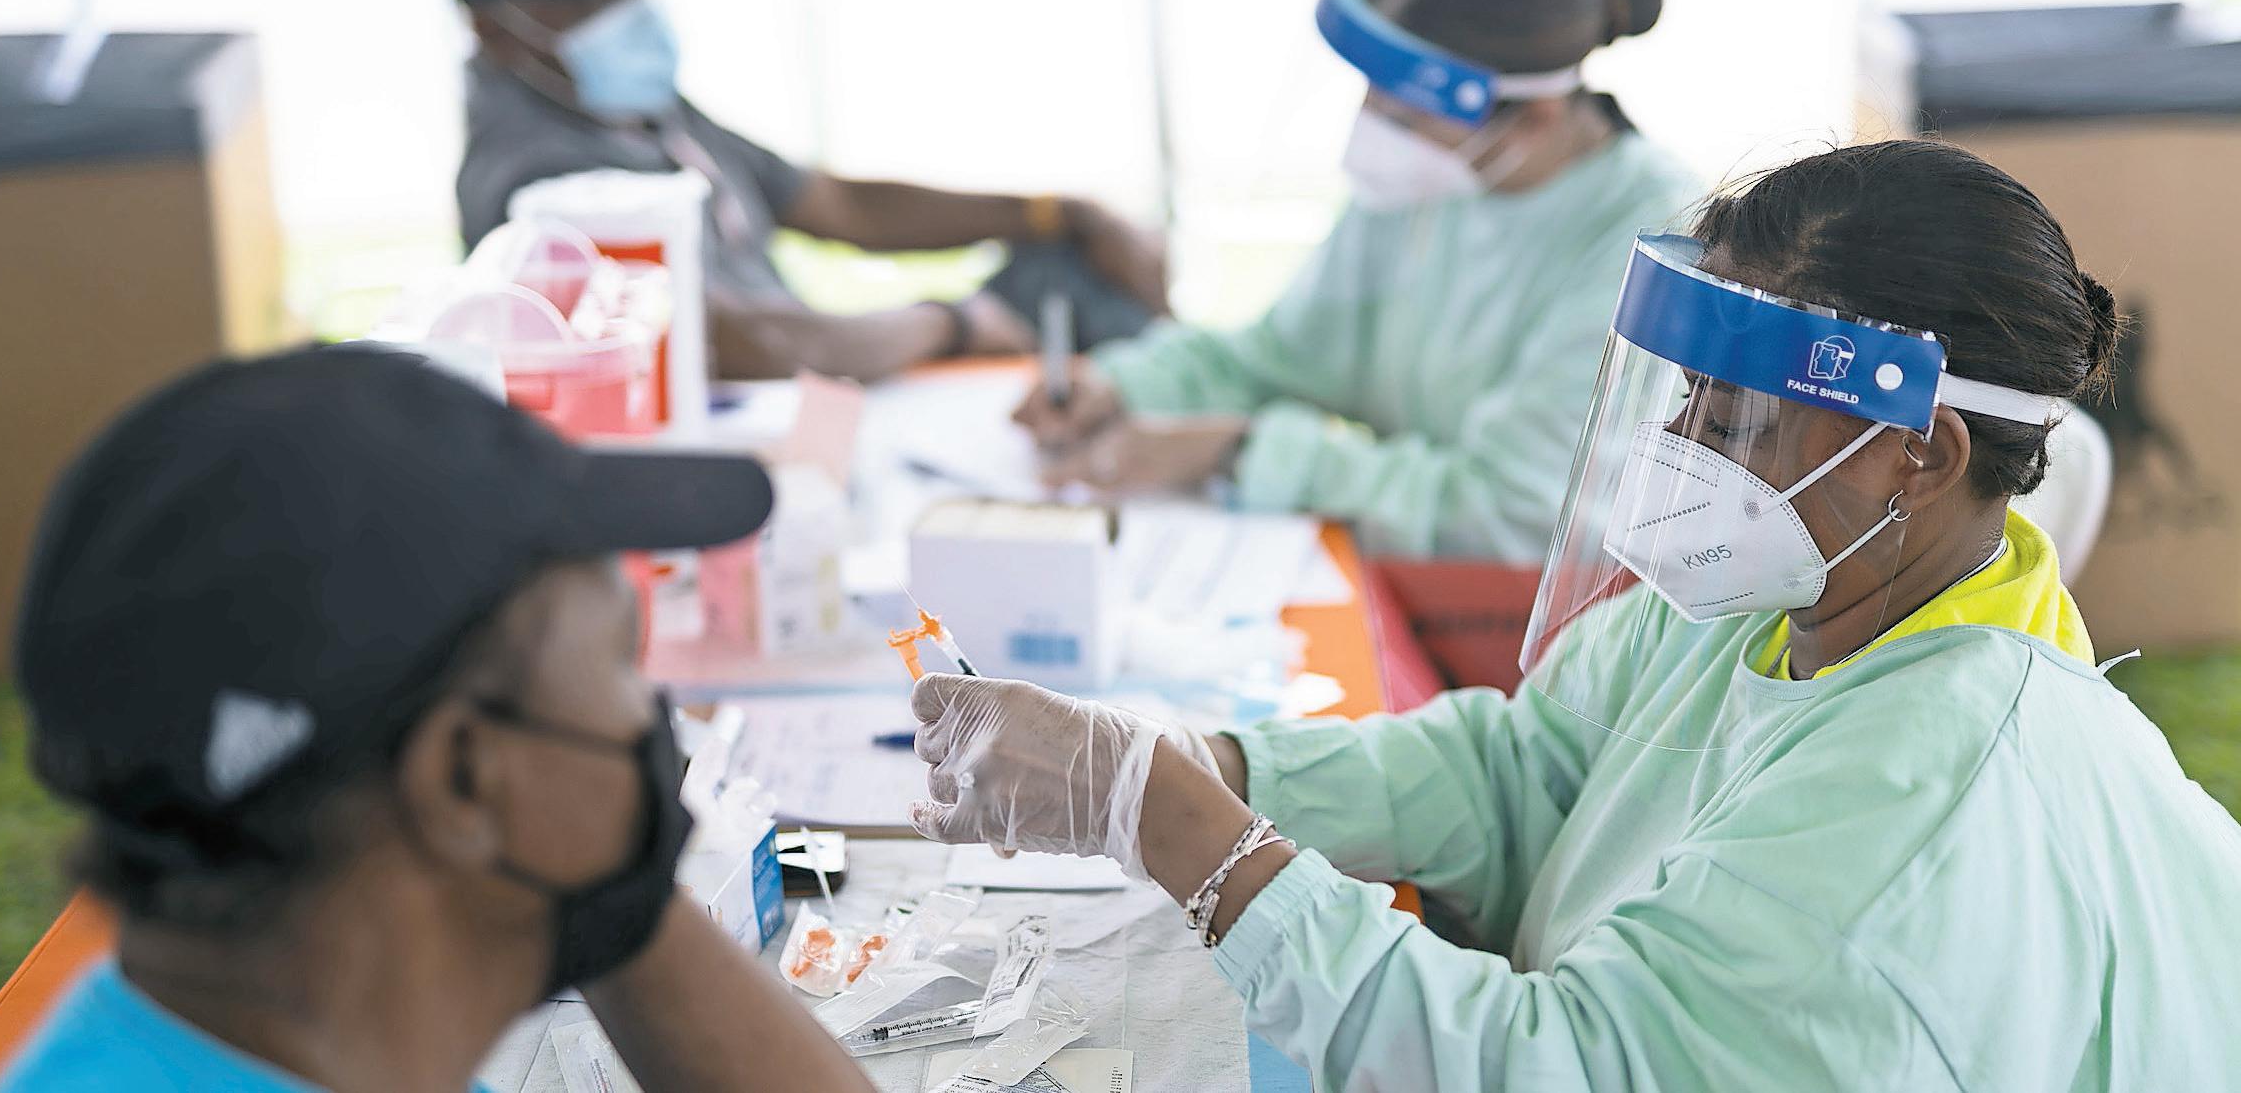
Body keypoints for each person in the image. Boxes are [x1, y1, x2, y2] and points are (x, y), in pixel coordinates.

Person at [907, 141, 2241, 1090]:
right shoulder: (1801, 586)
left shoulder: (1918, 799)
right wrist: (1209, 766)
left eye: (1735, 417)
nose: (1682, 446)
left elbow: (1566, 1068)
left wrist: (1182, 829)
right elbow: (1528, 766)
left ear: (1919, 455)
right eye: (1683, 397)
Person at [0, 347, 871, 1092]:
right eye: (618, 657)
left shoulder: (259, 1032)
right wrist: (591, 841)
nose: (652, 711)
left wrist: (600, 876)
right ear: (460, 774)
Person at [1012, 0, 1698, 560]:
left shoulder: (1650, 243)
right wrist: (1123, 388)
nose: (1373, 130)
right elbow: (1277, 357)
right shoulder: (1435, 178)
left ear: (1536, 119)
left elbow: (1513, 515)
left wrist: (1238, 451)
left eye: (1403, 115)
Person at [427, 0, 1166, 383]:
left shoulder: (638, 113)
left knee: (1070, 270)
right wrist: (951, 323)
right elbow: (741, 344)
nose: (630, 0)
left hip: (840, 378)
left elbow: (842, 207)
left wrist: (1053, 212)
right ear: (496, 31)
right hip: (780, 435)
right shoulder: (539, 182)